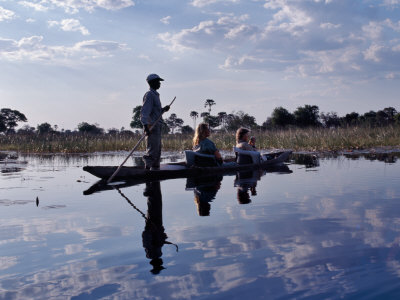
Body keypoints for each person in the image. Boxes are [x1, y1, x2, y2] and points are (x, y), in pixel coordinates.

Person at [141, 74, 170, 170]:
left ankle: (155, 169)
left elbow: (155, 112)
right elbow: (145, 112)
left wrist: (163, 110)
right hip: (151, 126)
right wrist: (146, 126)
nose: (159, 84)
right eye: (158, 82)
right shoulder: (149, 95)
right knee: (152, 150)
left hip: (157, 126)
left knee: (157, 151)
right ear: (152, 83)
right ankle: (147, 171)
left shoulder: (155, 95)